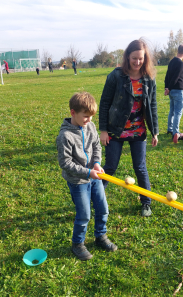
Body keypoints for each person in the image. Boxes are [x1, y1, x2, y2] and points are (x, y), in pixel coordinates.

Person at [99, 39, 159, 217]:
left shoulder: (149, 78)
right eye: (134, 58)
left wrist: (154, 130)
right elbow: (104, 103)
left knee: (140, 167)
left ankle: (146, 202)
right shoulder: (116, 76)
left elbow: (152, 106)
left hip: (138, 131)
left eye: (141, 58)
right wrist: (103, 130)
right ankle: (95, 197)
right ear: (127, 57)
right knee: (110, 167)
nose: (138, 62)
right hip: (116, 129)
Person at [56, 92, 117, 261]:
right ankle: (77, 244)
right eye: (85, 116)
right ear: (73, 113)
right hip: (78, 181)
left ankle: (100, 236)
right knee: (84, 214)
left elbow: (96, 145)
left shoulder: (90, 126)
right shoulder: (65, 137)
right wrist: (88, 172)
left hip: (94, 176)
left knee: (103, 208)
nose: (89, 120)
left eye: (91, 116)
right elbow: (65, 163)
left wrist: (96, 163)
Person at [164, 44, 183, 138]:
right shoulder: (180, 63)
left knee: (172, 111)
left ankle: (170, 129)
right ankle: (175, 132)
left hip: (171, 91)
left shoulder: (172, 61)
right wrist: (168, 88)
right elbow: (176, 77)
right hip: (177, 90)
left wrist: (167, 88)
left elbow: (167, 76)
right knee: (178, 112)